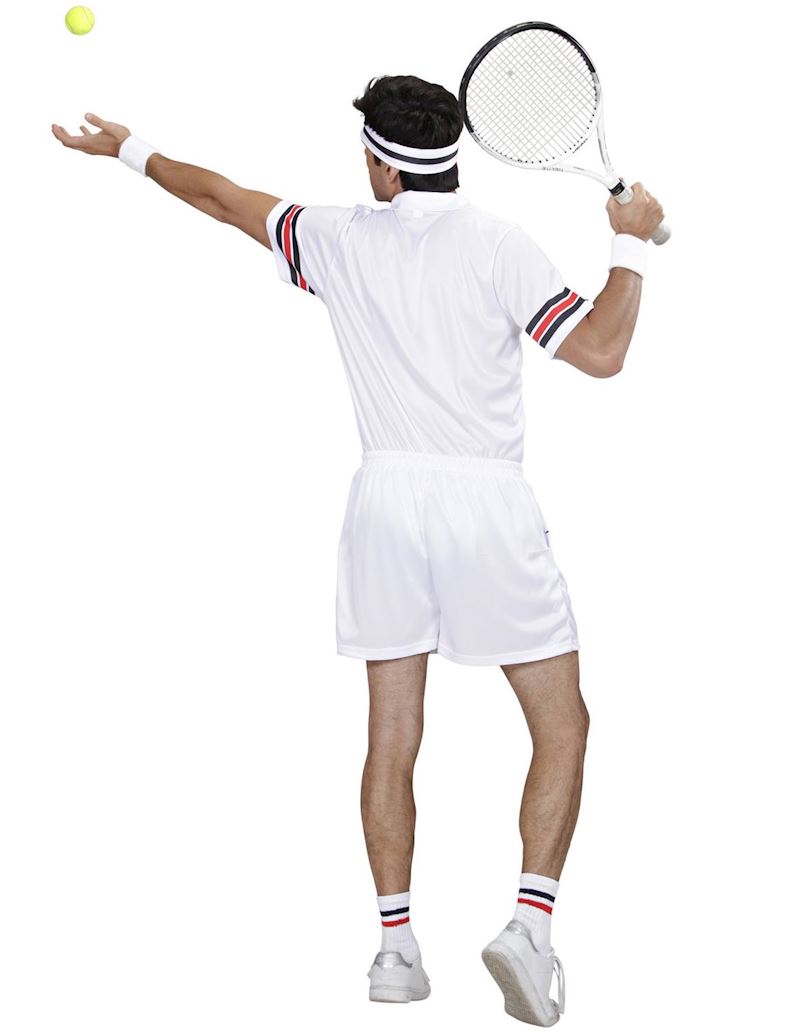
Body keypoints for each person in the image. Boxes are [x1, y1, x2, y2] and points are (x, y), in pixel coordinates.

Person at [51, 73, 663, 1027]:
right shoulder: (500, 244)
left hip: (383, 508)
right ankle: (530, 927)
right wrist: (630, 241)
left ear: (383, 164)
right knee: (563, 726)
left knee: (391, 737)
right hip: (487, 507)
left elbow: (220, 197)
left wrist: (127, 150)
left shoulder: (337, 238)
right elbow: (602, 351)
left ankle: (395, 950)